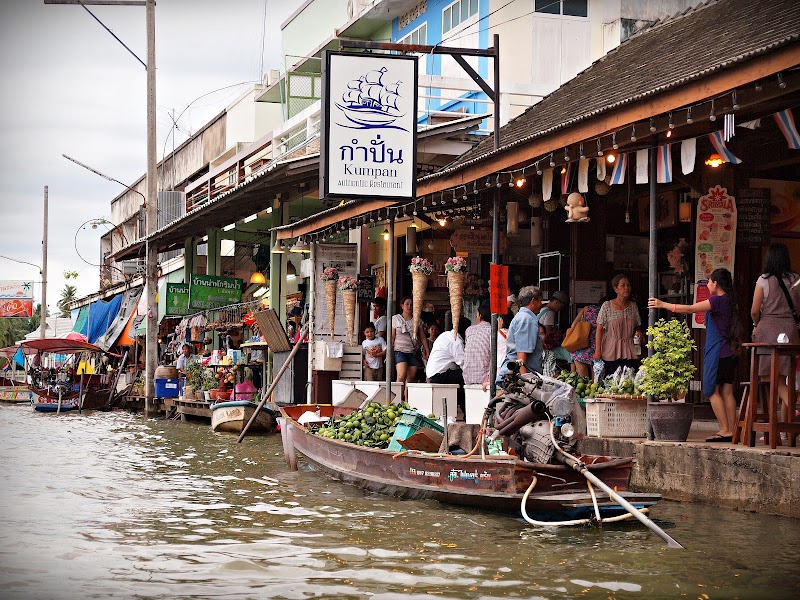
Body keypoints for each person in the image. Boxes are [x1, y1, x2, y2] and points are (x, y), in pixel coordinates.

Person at [649, 268, 742, 442]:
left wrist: (663, 304)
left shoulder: (717, 301)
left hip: (717, 352)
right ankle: (732, 429)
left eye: (709, 281)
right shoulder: (730, 301)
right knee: (727, 391)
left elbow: (691, 308)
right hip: (730, 351)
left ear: (716, 283)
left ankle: (724, 429)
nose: (707, 285)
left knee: (711, 391)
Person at [750, 242, 800, 426]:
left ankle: (793, 406)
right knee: (787, 373)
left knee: (768, 375)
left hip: (768, 330)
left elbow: (755, 310)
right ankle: (786, 416)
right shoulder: (796, 279)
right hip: (791, 329)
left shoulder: (763, 280)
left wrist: (757, 325)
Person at [595, 274, 642, 375]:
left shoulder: (633, 306)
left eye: (628, 285)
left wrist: (639, 333)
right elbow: (599, 329)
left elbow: (637, 326)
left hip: (630, 350)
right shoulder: (607, 306)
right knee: (610, 382)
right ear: (616, 289)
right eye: (623, 285)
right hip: (611, 350)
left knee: (629, 381)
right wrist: (597, 350)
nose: (626, 288)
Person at [497, 286, 544, 382]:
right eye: (540, 301)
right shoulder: (526, 319)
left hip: (516, 374)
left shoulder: (522, 317)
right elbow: (522, 352)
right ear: (533, 301)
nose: (541, 304)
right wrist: (525, 379)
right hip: (519, 377)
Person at [427, 317, 470, 415]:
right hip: (440, 375)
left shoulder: (446, 334)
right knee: (466, 377)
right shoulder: (456, 341)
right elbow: (463, 363)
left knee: (460, 378)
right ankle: (466, 412)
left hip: (434, 373)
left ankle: (463, 409)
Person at [392, 296, 430, 387]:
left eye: (411, 305)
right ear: (402, 306)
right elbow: (392, 336)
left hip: (413, 351)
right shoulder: (396, 319)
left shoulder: (418, 320)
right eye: (407, 304)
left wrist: (427, 350)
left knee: (411, 378)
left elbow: (422, 337)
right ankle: (398, 399)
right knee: (401, 376)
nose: (409, 306)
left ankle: (407, 400)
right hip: (400, 350)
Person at [538, 290, 571, 375]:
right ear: (556, 302)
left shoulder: (542, 309)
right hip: (546, 345)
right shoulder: (550, 313)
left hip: (540, 343)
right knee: (568, 352)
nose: (560, 309)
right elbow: (548, 333)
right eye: (561, 306)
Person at [463, 301, 492, 385]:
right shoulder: (493, 331)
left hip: (468, 378)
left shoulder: (469, 330)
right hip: (485, 379)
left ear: (480, 316)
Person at [569, 301, 600, 378]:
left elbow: (573, 325)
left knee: (582, 380)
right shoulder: (607, 311)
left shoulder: (587, 309)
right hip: (597, 348)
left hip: (581, 347)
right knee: (595, 380)